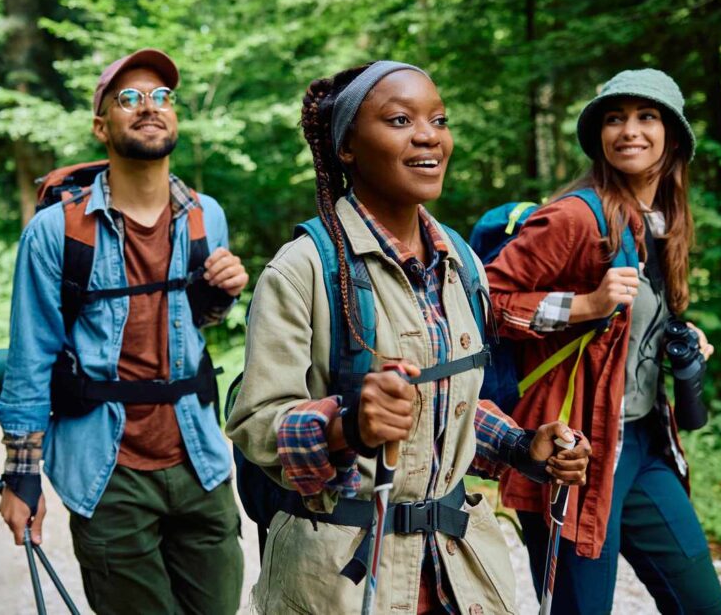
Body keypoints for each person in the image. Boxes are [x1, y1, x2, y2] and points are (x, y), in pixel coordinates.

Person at [226, 61, 592, 614]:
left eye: (438, 119)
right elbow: (257, 425)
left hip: (459, 574)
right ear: (346, 147)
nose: (429, 135)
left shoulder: (461, 263)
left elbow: (456, 403)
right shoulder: (304, 270)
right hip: (342, 584)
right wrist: (348, 426)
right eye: (399, 119)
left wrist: (524, 446)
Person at [0, 48, 247, 614]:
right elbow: (32, 358)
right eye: (128, 98)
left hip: (200, 460)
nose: (148, 107)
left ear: (175, 117)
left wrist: (215, 297)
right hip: (109, 475)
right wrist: (22, 478)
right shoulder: (56, 232)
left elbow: (195, 324)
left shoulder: (208, 215)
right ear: (101, 125)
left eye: (161, 97)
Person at [487, 68, 721, 614]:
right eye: (614, 118)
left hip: (645, 443)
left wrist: (679, 334)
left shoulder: (664, 220)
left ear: (673, 135)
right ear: (598, 134)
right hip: (576, 447)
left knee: (704, 606)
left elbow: (633, 323)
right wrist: (584, 306)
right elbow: (485, 305)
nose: (629, 131)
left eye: (647, 117)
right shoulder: (574, 217)